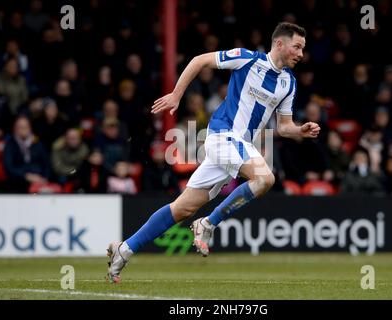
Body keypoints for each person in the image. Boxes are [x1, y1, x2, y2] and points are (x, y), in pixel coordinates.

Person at [106, 22, 320, 283]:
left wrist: (301, 130)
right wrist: (176, 95)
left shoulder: (289, 83)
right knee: (265, 178)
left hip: (239, 148)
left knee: (183, 208)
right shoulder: (247, 59)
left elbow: (284, 126)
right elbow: (199, 60)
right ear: (279, 44)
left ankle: (124, 249)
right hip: (222, 136)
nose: (300, 54)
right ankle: (208, 223)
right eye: (297, 47)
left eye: (302, 49)